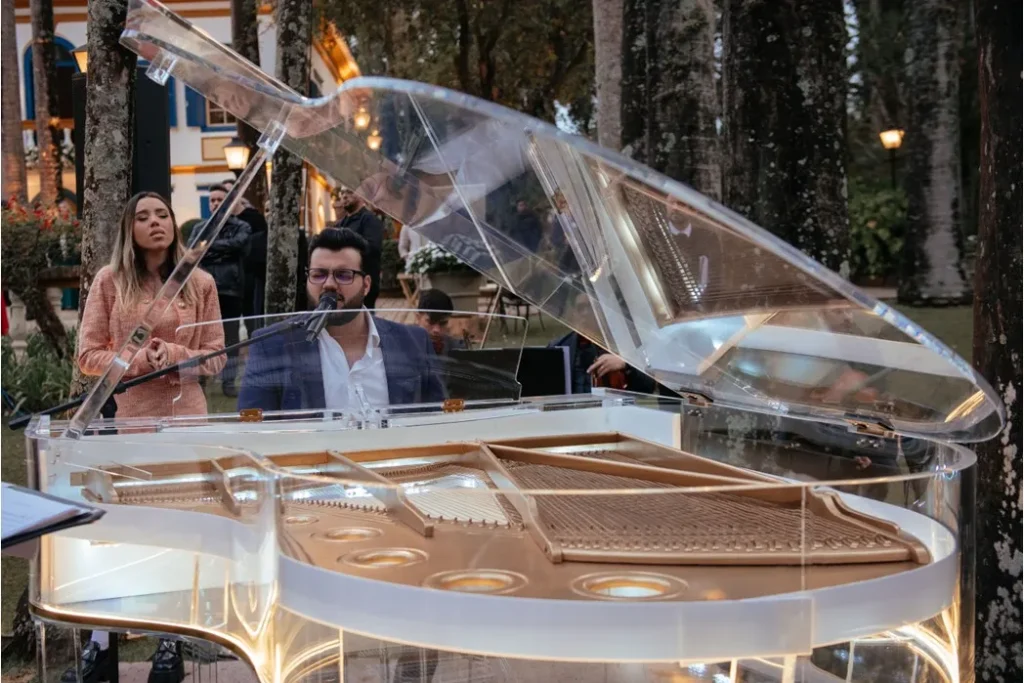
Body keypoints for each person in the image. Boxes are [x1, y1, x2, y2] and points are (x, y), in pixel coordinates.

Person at [74, 192, 226, 683]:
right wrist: (140, 361)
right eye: (143, 216)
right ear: (130, 230)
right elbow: (88, 356)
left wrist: (176, 355)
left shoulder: (200, 282)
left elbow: (218, 356)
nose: (155, 222)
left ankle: (170, 642)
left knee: (180, 528)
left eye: (162, 214)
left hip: (187, 421)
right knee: (128, 531)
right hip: (133, 420)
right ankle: (103, 643)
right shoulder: (109, 281)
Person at [238, 228, 445, 413]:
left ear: (366, 285)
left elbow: (439, 422)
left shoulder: (414, 342)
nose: (329, 284)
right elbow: (253, 433)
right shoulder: (270, 346)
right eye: (318, 274)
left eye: (343, 275)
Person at [196, 183, 251, 397]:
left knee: (230, 339)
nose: (215, 203)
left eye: (220, 199)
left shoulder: (242, 226)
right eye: (212, 200)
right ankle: (200, 379)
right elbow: (192, 251)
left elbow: (239, 246)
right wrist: (222, 249)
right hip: (204, 290)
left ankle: (228, 382)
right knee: (200, 337)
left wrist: (208, 248)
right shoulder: (200, 228)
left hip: (231, 289)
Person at [333, 186, 384, 309]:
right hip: (342, 282)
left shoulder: (370, 220)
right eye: (342, 193)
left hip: (363, 283)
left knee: (364, 318)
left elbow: (372, 248)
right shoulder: (340, 224)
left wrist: (347, 241)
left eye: (349, 191)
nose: (344, 196)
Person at [416, 289, 467, 356]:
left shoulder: (459, 350)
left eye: (443, 323)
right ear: (418, 318)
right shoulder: (405, 348)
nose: (437, 330)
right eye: (431, 322)